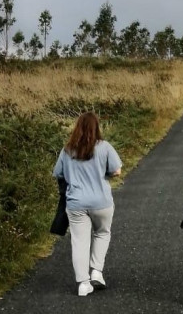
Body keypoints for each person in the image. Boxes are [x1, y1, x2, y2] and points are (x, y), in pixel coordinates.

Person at [52, 112, 122, 296]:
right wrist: (103, 173)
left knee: (79, 241)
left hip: (76, 203)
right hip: (101, 201)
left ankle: (83, 283)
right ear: (96, 127)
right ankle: (97, 271)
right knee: (102, 233)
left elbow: (58, 173)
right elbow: (117, 171)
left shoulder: (67, 150)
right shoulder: (105, 147)